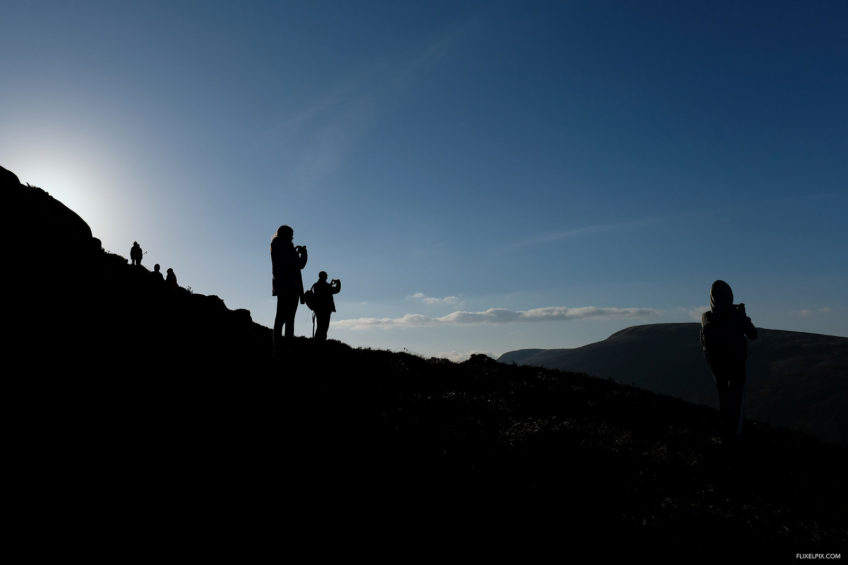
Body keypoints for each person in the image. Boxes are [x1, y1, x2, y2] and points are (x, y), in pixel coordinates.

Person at [700, 280, 758, 442]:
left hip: (716, 364)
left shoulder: (706, 317)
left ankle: (725, 430)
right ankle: (736, 434)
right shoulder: (736, 315)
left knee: (724, 398)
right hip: (736, 363)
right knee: (737, 398)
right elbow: (753, 334)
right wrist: (743, 316)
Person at [270, 225, 307, 351]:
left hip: (281, 286)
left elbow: (286, 263)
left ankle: (278, 350)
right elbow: (299, 265)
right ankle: (285, 350)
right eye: (291, 234)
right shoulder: (286, 244)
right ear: (287, 234)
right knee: (289, 319)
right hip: (291, 286)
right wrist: (304, 254)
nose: (293, 237)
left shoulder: (276, 244)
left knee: (280, 318)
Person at [309, 271, 341, 342]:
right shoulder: (326, 286)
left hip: (318, 310)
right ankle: (320, 342)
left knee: (320, 327)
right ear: (324, 277)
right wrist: (338, 282)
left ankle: (318, 341)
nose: (327, 277)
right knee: (324, 328)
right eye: (326, 276)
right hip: (325, 310)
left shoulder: (316, 285)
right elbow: (336, 290)